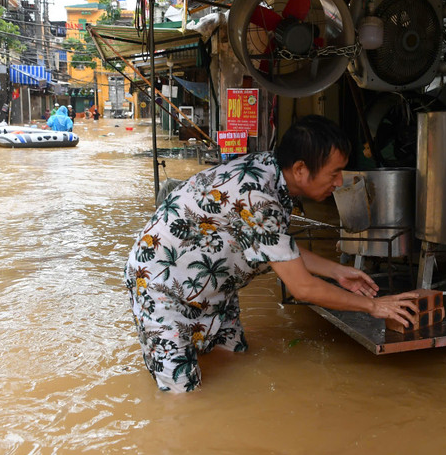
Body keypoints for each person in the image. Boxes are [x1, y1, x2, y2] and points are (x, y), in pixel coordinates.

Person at [124, 115, 420, 393]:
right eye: (334, 173)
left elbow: (275, 245)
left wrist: (338, 271)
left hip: (213, 286)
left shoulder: (271, 170)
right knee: (183, 395)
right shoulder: (258, 197)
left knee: (235, 358)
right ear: (302, 169)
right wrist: (373, 307)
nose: (339, 182)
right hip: (160, 285)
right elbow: (302, 288)